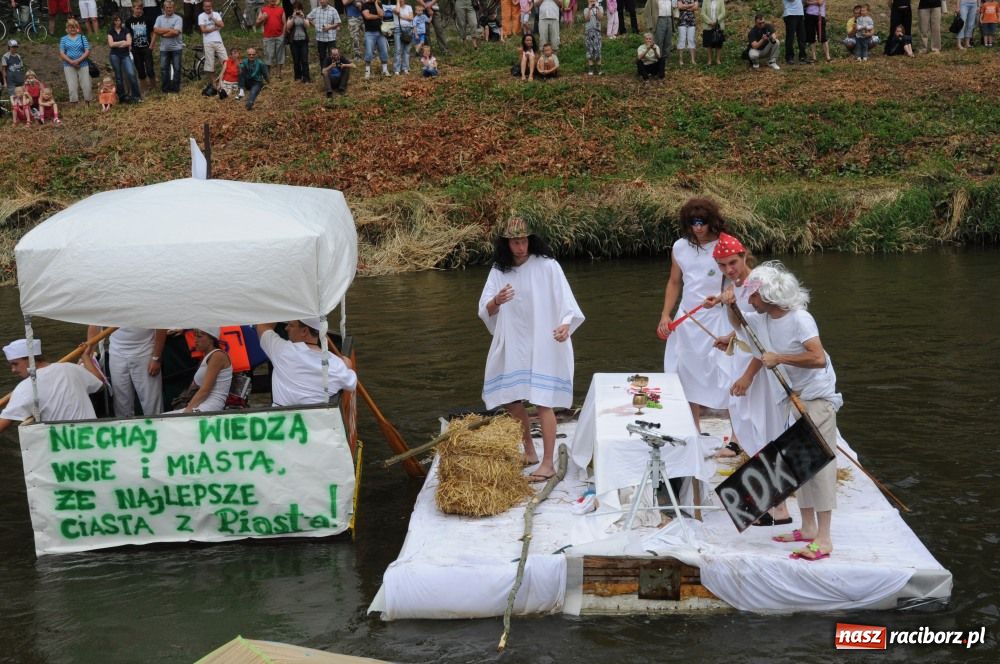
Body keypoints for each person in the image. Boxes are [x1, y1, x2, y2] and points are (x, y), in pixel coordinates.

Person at [722, 261, 843, 561]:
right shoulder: (763, 319)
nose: (750, 300)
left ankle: (825, 539)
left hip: (817, 395)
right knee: (795, 461)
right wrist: (730, 302)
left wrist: (781, 358)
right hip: (792, 397)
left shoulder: (801, 319)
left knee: (818, 463)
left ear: (769, 296)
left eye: (753, 296)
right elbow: (739, 324)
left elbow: (816, 358)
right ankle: (808, 528)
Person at [479, 217, 584, 484]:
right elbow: (485, 310)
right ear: (507, 244)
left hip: (543, 340)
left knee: (542, 400)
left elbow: (566, 302)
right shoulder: (499, 271)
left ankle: (548, 463)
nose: (521, 246)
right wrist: (496, 300)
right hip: (514, 341)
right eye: (515, 242)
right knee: (511, 399)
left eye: (524, 240)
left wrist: (564, 326)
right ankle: (529, 452)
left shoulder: (547, 266)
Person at [656, 198, 730, 431]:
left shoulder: (724, 245)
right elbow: (674, 281)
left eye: (702, 223)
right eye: (693, 223)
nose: (697, 228)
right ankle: (693, 429)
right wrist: (665, 315)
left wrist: (720, 298)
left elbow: (738, 281)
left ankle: (737, 440)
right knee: (684, 373)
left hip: (717, 317)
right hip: (687, 319)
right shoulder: (679, 247)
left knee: (726, 375)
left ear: (711, 222)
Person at [0, 339, 104, 433]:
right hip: (92, 434)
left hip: (63, 444)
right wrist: (85, 357)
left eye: (15, 364)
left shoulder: (25, 387)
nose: (13, 370)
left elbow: (3, 424)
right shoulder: (70, 368)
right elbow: (99, 381)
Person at [255, 319, 356, 407]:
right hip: (319, 425)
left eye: (291, 325)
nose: (286, 328)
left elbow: (263, 327)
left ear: (304, 331)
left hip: (281, 425)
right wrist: (347, 364)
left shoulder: (281, 350)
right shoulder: (336, 365)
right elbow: (351, 383)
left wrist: (281, 301)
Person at [88, 327, 166, 417]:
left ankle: (156, 428)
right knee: (121, 404)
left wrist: (156, 357)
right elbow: (95, 325)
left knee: (152, 403)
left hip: (145, 353)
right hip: (116, 354)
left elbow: (161, 327)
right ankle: (125, 428)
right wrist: (88, 355)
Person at [174, 329, 232, 413]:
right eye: (195, 336)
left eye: (199, 336)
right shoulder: (207, 356)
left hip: (212, 405)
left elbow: (205, 390)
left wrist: (188, 410)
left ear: (211, 339)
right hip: (202, 403)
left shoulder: (217, 356)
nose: (195, 340)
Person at [108, 14, 143, 103]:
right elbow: (111, 44)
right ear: (113, 22)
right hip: (114, 55)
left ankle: (136, 96)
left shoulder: (126, 30)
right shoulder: (110, 31)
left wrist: (118, 44)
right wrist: (122, 42)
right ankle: (122, 97)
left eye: (119, 20)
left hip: (125, 55)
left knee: (131, 73)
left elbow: (129, 43)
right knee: (119, 77)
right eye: (115, 20)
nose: (117, 22)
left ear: (121, 21)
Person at [59, 19, 94, 103]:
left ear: (77, 28)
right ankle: (74, 104)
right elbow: (62, 53)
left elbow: (87, 51)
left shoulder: (82, 37)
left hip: (83, 64)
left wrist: (78, 61)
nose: (72, 29)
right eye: (70, 27)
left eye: (74, 27)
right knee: (72, 86)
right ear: (67, 28)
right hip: (68, 65)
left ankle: (88, 102)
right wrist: (71, 62)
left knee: (86, 85)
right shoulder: (63, 39)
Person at [154, 1, 184, 93]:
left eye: (170, 7)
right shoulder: (159, 18)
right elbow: (155, 30)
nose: (169, 9)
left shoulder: (178, 18)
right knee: (164, 69)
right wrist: (169, 30)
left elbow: (176, 32)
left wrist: (163, 33)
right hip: (164, 49)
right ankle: (165, 89)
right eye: (167, 7)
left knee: (177, 69)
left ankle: (175, 89)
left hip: (176, 48)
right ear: (164, 8)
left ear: (173, 8)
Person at [129, 1, 157, 96]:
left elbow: (153, 32)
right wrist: (130, 47)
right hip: (135, 49)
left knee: (150, 69)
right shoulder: (129, 21)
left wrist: (151, 45)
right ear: (132, 8)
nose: (139, 10)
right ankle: (144, 89)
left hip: (146, 48)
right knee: (140, 70)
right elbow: (128, 35)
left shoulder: (147, 19)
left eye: (140, 8)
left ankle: (154, 88)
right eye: (137, 8)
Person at [198, 0, 228, 84]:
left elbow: (222, 25)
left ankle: (224, 81)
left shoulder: (216, 14)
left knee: (226, 61)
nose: (207, 8)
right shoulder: (201, 16)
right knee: (210, 65)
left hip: (218, 41)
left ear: (211, 6)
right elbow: (203, 30)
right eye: (206, 6)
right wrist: (214, 28)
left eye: (209, 6)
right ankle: (214, 84)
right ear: (203, 7)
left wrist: (213, 18)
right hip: (208, 42)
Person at [258, 0, 287, 79]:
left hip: (279, 36)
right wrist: (262, 18)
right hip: (268, 37)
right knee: (268, 56)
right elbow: (257, 24)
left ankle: (279, 73)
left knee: (280, 55)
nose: (273, 0)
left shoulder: (281, 9)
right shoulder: (263, 9)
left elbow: (284, 23)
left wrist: (283, 35)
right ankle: (268, 74)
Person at [308, 0, 341, 68]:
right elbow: (308, 17)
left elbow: (338, 23)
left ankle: (333, 72)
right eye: (320, 0)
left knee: (333, 56)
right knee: (322, 56)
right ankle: (324, 72)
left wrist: (330, 27)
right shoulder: (316, 10)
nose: (322, 1)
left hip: (331, 38)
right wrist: (316, 26)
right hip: (320, 38)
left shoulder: (333, 10)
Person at [362, 0, 391, 78]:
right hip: (369, 33)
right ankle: (367, 72)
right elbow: (367, 16)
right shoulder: (365, 5)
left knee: (384, 52)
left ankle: (384, 71)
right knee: (369, 52)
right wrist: (378, 16)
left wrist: (376, 3)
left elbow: (382, 14)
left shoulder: (379, 4)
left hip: (380, 33)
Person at [387, 0, 415, 75]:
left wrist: (402, 16)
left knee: (407, 50)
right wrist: (398, 2)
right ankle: (397, 69)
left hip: (409, 29)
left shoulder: (409, 7)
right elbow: (397, 11)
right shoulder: (393, 7)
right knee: (398, 50)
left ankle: (405, 68)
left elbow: (411, 18)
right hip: (398, 30)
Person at [286, 1, 311, 81]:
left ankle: (306, 78)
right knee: (296, 60)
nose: (297, 11)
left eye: (298, 9)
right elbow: (288, 27)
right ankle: (298, 77)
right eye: (295, 9)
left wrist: (303, 17)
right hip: (294, 42)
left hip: (303, 41)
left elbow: (308, 26)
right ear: (293, 9)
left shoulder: (304, 16)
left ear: (301, 9)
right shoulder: (290, 17)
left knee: (304, 60)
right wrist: (293, 17)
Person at [702, 0, 726, 65]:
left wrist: (716, 21)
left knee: (718, 42)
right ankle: (709, 60)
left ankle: (718, 60)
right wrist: (709, 22)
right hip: (708, 25)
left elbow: (723, 13)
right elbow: (703, 13)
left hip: (718, 25)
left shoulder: (721, 1)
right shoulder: (705, 1)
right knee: (709, 43)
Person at [582, 0, 603, 74]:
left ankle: (599, 68)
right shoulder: (586, 9)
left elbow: (600, 18)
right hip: (588, 32)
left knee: (598, 50)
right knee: (589, 50)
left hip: (597, 32)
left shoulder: (600, 8)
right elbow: (586, 19)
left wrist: (597, 8)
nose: (592, 0)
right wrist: (590, 9)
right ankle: (590, 68)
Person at [676, 0, 698, 65]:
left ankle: (693, 60)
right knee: (681, 39)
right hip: (682, 21)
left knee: (691, 39)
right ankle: (680, 60)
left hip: (692, 21)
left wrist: (685, 6)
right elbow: (680, 6)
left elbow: (696, 7)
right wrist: (691, 5)